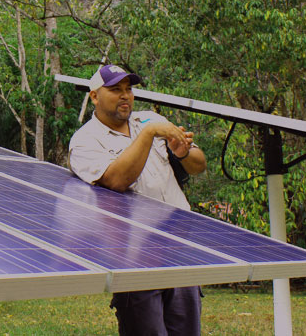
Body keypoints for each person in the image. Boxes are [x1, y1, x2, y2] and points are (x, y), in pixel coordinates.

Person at [68, 64, 207, 336]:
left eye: (129, 90)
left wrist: (181, 153)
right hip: (134, 259)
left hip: (178, 248)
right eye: (115, 90)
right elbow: (116, 180)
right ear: (94, 96)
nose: (125, 96)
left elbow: (198, 165)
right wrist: (149, 134)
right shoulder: (84, 141)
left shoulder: (148, 119)